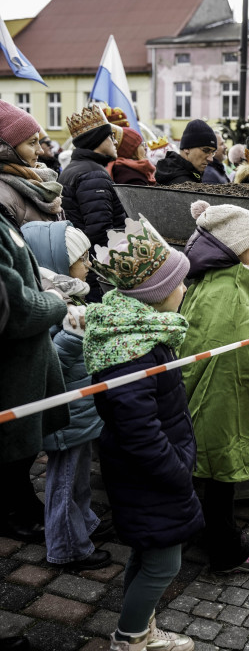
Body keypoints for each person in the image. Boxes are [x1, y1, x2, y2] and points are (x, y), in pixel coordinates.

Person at [84, 217, 203, 651]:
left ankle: (141, 629)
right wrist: (175, 469)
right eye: (179, 283)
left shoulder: (139, 334)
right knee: (163, 564)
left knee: (148, 552)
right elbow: (139, 431)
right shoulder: (133, 351)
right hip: (151, 476)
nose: (185, 290)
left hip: (147, 473)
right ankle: (131, 640)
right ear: (156, 294)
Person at [179, 201, 249, 573]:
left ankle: (221, 533)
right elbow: (241, 358)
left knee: (219, 478)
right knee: (220, 477)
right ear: (237, 246)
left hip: (221, 399)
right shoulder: (227, 292)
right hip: (220, 402)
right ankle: (226, 552)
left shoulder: (229, 281)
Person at [21, 220, 110, 572]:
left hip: (79, 406)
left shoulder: (73, 294)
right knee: (63, 480)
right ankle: (67, 546)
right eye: (81, 258)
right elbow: (47, 358)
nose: (87, 264)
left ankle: (83, 521)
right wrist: (75, 337)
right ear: (58, 260)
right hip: (64, 409)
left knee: (79, 475)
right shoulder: (46, 302)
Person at [0, 212, 69, 543]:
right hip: (10, 363)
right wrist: (55, 301)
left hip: (23, 359)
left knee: (20, 445)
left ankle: (20, 500)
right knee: (12, 443)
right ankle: (13, 512)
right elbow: (17, 310)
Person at [59, 105, 126, 302]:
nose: (115, 141)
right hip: (97, 275)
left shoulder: (74, 169)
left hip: (83, 268)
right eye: (110, 136)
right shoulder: (93, 173)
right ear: (97, 140)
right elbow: (101, 232)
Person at [0, 100, 63, 227]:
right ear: (10, 147)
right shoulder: (3, 195)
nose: (40, 150)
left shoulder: (40, 179)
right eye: (32, 142)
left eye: (38, 141)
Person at [155, 119, 217, 185]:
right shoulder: (184, 184)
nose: (211, 159)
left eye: (212, 152)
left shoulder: (173, 172)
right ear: (187, 149)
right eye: (206, 150)